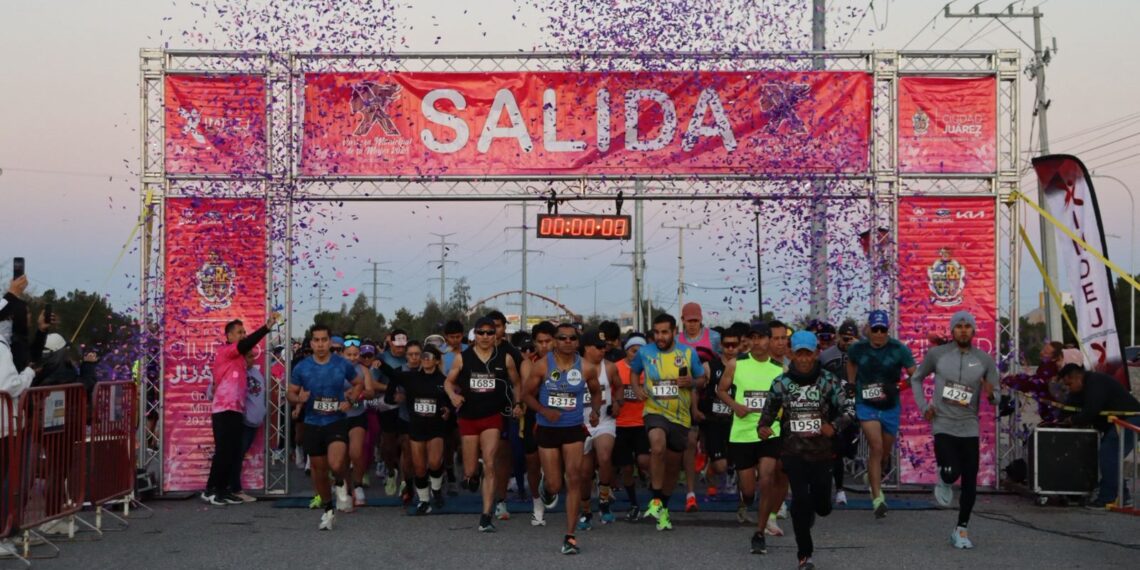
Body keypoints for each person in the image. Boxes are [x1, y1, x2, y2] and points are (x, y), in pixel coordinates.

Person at [759, 331, 855, 570]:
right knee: (800, 502)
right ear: (791, 354)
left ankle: (815, 506)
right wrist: (763, 427)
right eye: (799, 354)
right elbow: (768, 411)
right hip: (793, 452)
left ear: (816, 354)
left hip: (822, 453)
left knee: (823, 507)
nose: (803, 359)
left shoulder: (828, 381)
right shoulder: (781, 383)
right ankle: (805, 555)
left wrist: (833, 426)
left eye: (808, 354)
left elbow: (849, 410)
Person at [909, 311, 999, 549]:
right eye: (958, 326)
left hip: (969, 426)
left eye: (967, 326)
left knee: (970, 480)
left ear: (974, 330)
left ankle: (961, 529)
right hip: (943, 423)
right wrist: (924, 406)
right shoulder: (937, 354)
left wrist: (992, 395)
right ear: (952, 330)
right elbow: (916, 378)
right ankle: (944, 478)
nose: (963, 330)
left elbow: (997, 396)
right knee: (951, 472)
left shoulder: (984, 360)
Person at [522, 322, 603, 554]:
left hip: (573, 428)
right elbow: (526, 394)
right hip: (547, 428)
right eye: (562, 338)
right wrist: (543, 410)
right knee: (555, 484)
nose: (567, 341)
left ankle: (570, 536)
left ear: (578, 342)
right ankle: (547, 486)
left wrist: (595, 411)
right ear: (555, 341)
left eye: (572, 338)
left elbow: (596, 392)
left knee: (574, 478)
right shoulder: (542, 366)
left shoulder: (586, 367)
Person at [444, 316, 523, 532]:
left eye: (490, 332)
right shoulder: (462, 358)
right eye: (481, 332)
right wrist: (453, 396)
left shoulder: (505, 358)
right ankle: (472, 473)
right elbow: (448, 382)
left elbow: (517, 383)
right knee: (470, 472)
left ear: (495, 335)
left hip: (492, 417)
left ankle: (486, 516)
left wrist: (518, 403)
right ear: (475, 335)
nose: (485, 336)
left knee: (490, 463)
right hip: (468, 417)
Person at [629, 313, 705, 531]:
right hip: (654, 410)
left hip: (680, 417)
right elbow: (634, 372)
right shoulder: (645, 352)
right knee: (657, 445)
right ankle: (655, 499)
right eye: (656, 332)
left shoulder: (688, 353)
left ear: (674, 332)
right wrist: (636, 388)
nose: (660, 337)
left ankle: (663, 507)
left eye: (664, 332)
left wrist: (692, 381)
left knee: (672, 468)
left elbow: (702, 379)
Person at [287, 324, 365, 530]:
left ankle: (340, 482)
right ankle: (328, 510)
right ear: (311, 343)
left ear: (330, 342)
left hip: (336, 421)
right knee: (319, 471)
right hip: (312, 422)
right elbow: (290, 393)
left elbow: (359, 383)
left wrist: (351, 400)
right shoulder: (302, 367)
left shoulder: (342, 364)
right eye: (316, 340)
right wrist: (298, 398)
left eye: (324, 340)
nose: (320, 344)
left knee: (336, 463)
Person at [718, 321, 786, 553]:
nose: (757, 342)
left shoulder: (780, 369)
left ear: (769, 340)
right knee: (749, 491)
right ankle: (746, 499)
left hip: (769, 432)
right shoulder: (736, 364)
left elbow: (786, 402)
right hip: (742, 433)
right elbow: (721, 390)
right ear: (748, 340)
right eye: (753, 337)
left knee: (767, 479)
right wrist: (736, 406)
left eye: (762, 337)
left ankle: (759, 532)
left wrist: (774, 419)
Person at [202, 311, 280, 506]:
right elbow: (246, 345)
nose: (243, 335)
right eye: (239, 332)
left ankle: (221, 490)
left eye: (244, 332)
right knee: (224, 451)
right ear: (229, 336)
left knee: (232, 452)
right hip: (224, 409)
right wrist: (266, 328)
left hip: (236, 410)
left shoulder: (240, 361)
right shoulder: (226, 351)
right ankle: (212, 490)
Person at [846, 309, 916, 519]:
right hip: (866, 403)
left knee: (884, 453)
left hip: (890, 406)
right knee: (875, 447)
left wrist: (899, 386)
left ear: (887, 330)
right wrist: (851, 384)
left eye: (882, 330)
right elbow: (851, 362)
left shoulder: (899, 349)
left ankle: (874, 474)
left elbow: (916, 375)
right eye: (875, 329)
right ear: (868, 329)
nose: (878, 334)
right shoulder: (858, 348)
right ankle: (877, 499)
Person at [379, 344, 452, 515]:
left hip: (436, 427)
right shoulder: (412, 377)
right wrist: (379, 363)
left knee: (434, 463)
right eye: (423, 356)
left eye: (429, 356)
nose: (425, 359)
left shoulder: (443, 380)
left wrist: (448, 409)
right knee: (419, 467)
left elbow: (450, 399)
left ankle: (436, 490)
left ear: (436, 360)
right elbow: (393, 375)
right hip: (416, 427)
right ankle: (424, 501)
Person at [1058, 364, 1140, 508]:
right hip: (1117, 422)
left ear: (1077, 377)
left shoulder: (1095, 382)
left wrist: (1073, 420)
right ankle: (1122, 495)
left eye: (1069, 384)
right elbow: (1070, 406)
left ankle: (1109, 498)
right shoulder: (1084, 386)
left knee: (1109, 455)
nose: (1069, 388)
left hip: (1129, 420)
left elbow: (1091, 410)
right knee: (1109, 457)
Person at [577, 328, 622, 529]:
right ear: (586, 348)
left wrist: (618, 402)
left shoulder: (610, 367)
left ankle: (604, 502)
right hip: (581, 425)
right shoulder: (574, 368)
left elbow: (619, 387)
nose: (603, 350)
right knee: (584, 473)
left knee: (604, 457)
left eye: (604, 347)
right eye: (598, 347)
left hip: (604, 421)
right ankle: (586, 510)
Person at [677, 302, 720, 512]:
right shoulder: (677, 340)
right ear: (682, 320)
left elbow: (722, 365)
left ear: (701, 319)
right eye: (689, 321)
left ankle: (711, 476)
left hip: (711, 397)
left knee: (710, 443)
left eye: (696, 320)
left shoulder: (714, 338)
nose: (692, 324)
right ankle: (691, 493)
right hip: (686, 396)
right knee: (690, 442)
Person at [698, 325, 744, 501]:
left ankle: (737, 487)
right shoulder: (709, 366)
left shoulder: (745, 366)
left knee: (736, 459)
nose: (730, 349)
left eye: (734, 345)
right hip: (714, 421)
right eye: (727, 345)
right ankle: (710, 478)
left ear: (740, 345)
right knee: (720, 466)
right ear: (721, 346)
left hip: (737, 421)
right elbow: (696, 390)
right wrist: (695, 409)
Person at [487, 310, 524, 521]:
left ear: (504, 328)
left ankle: (500, 501)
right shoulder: (472, 353)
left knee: (502, 455)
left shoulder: (512, 353)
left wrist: (518, 403)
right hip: (476, 411)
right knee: (479, 460)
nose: (493, 331)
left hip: (504, 411)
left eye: (497, 326)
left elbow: (521, 381)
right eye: (488, 328)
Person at [820, 321, 860, 505]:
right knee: (834, 449)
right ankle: (839, 489)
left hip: (854, 404)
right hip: (832, 406)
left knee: (849, 448)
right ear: (838, 337)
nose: (847, 342)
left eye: (851, 339)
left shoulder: (862, 353)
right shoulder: (826, 355)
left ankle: (839, 484)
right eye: (844, 338)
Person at [614, 333, 652, 521]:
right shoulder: (616, 368)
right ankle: (634, 503)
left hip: (642, 423)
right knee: (627, 468)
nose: (636, 354)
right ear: (626, 351)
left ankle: (656, 496)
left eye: (640, 351)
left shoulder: (651, 368)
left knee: (644, 461)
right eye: (632, 350)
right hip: (620, 424)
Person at [522, 321, 556, 525]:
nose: (544, 345)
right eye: (540, 342)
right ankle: (537, 505)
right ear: (534, 343)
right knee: (532, 461)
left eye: (548, 341)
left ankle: (551, 486)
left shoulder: (568, 360)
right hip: (534, 415)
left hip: (560, 416)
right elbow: (528, 391)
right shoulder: (529, 363)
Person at [228, 350, 268, 503]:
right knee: (236, 455)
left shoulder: (256, 373)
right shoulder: (234, 373)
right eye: (249, 356)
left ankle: (232, 488)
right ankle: (234, 489)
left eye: (253, 356)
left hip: (253, 422)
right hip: (240, 421)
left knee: (239, 454)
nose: (253, 359)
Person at [340, 335, 372, 508]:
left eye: (355, 354)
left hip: (358, 415)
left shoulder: (363, 370)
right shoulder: (336, 369)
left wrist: (357, 393)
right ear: (342, 354)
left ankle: (358, 485)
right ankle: (346, 486)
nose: (352, 358)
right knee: (343, 456)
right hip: (340, 417)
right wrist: (343, 395)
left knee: (356, 452)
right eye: (349, 355)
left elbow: (371, 392)